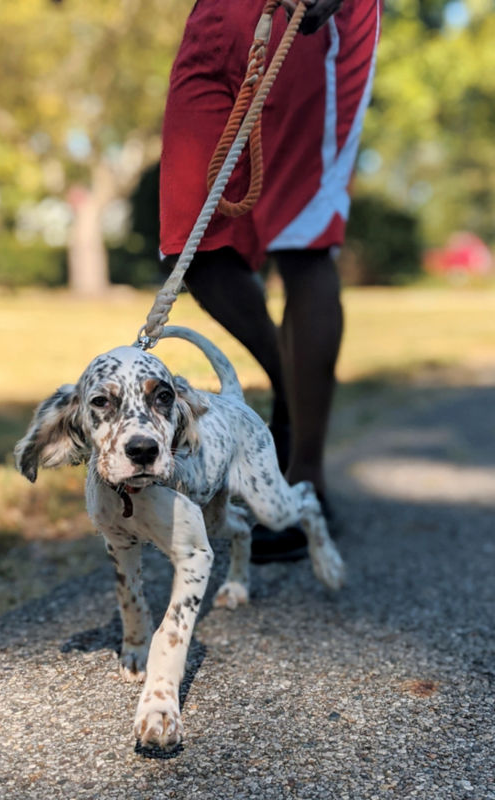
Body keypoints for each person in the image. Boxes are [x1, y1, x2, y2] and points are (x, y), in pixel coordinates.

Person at [159, 0, 381, 561]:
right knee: (193, 245)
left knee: (303, 243)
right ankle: (288, 399)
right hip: (217, 18)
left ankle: (304, 480)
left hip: (312, 18)